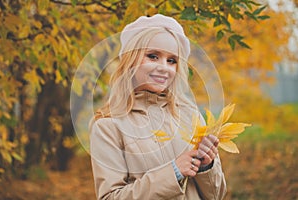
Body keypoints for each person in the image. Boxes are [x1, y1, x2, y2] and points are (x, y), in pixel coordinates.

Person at [90, 14, 227, 200]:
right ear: (131, 61)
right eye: (153, 56)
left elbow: (216, 196)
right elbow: (110, 197)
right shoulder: (108, 126)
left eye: (172, 61)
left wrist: (206, 166)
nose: (164, 67)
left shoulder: (190, 116)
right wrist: (173, 172)